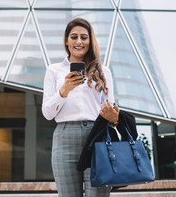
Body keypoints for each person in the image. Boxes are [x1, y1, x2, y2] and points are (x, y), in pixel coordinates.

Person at [42, 18, 119, 197]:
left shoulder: (103, 71)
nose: (79, 41)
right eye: (74, 36)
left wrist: (114, 118)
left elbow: (110, 108)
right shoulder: (54, 71)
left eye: (84, 37)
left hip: (96, 137)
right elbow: (47, 113)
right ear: (66, 41)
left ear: (90, 41)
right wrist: (63, 91)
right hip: (64, 138)